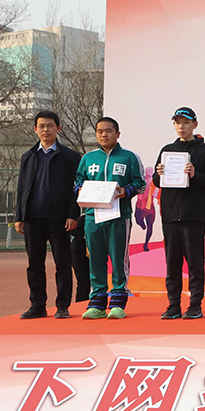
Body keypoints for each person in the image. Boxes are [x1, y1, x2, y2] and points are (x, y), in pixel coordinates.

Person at [152, 107, 205, 320]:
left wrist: (195, 174)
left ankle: (195, 305)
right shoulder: (167, 150)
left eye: (186, 122)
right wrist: (159, 174)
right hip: (170, 215)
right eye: (178, 122)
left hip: (194, 215)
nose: (181, 126)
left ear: (195, 125)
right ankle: (173, 305)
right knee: (172, 263)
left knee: (195, 263)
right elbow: (156, 181)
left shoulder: (204, 150)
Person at [75, 117, 145, 320]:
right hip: (92, 216)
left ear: (117, 134)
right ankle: (97, 303)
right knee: (95, 258)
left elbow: (140, 184)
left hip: (119, 216)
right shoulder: (88, 158)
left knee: (118, 259)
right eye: (100, 131)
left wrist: (125, 191)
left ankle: (118, 302)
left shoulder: (129, 157)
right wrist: (80, 189)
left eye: (108, 131)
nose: (104, 135)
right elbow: (78, 180)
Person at [15, 110, 82, 319]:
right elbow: (21, 188)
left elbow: (76, 189)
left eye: (50, 125)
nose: (46, 130)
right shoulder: (28, 156)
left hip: (60, 219)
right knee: (35, 264)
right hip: (32, 218)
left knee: (63, 263)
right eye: (41, 126)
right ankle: (37, 305)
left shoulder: (71, 157)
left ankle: (62, 306)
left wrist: (73, 214)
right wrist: (19, 216)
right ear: (35, 129)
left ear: (58, 128)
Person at [134, 166, 158, 252]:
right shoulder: (141, 181)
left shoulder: (153, 182)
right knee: (139, 221)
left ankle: (146, 244)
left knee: (149, 226)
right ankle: (142, 225)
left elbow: (156, 194)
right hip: (141, 205)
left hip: (149, 206)